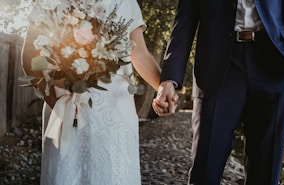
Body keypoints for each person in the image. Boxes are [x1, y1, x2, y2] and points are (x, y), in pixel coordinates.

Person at [21, 0, 178, 184]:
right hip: (67, 111)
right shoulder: (49, 2)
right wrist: (55, 99)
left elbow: (139, 54)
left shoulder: (125, 3)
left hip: (115, 118)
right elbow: (30, 57)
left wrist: (162, 87)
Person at [152, 0, 284, 184]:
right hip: (217, 66)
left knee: (266, 174)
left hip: (274, 65)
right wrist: (169, 80)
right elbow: (184, 21)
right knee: (205, 171)